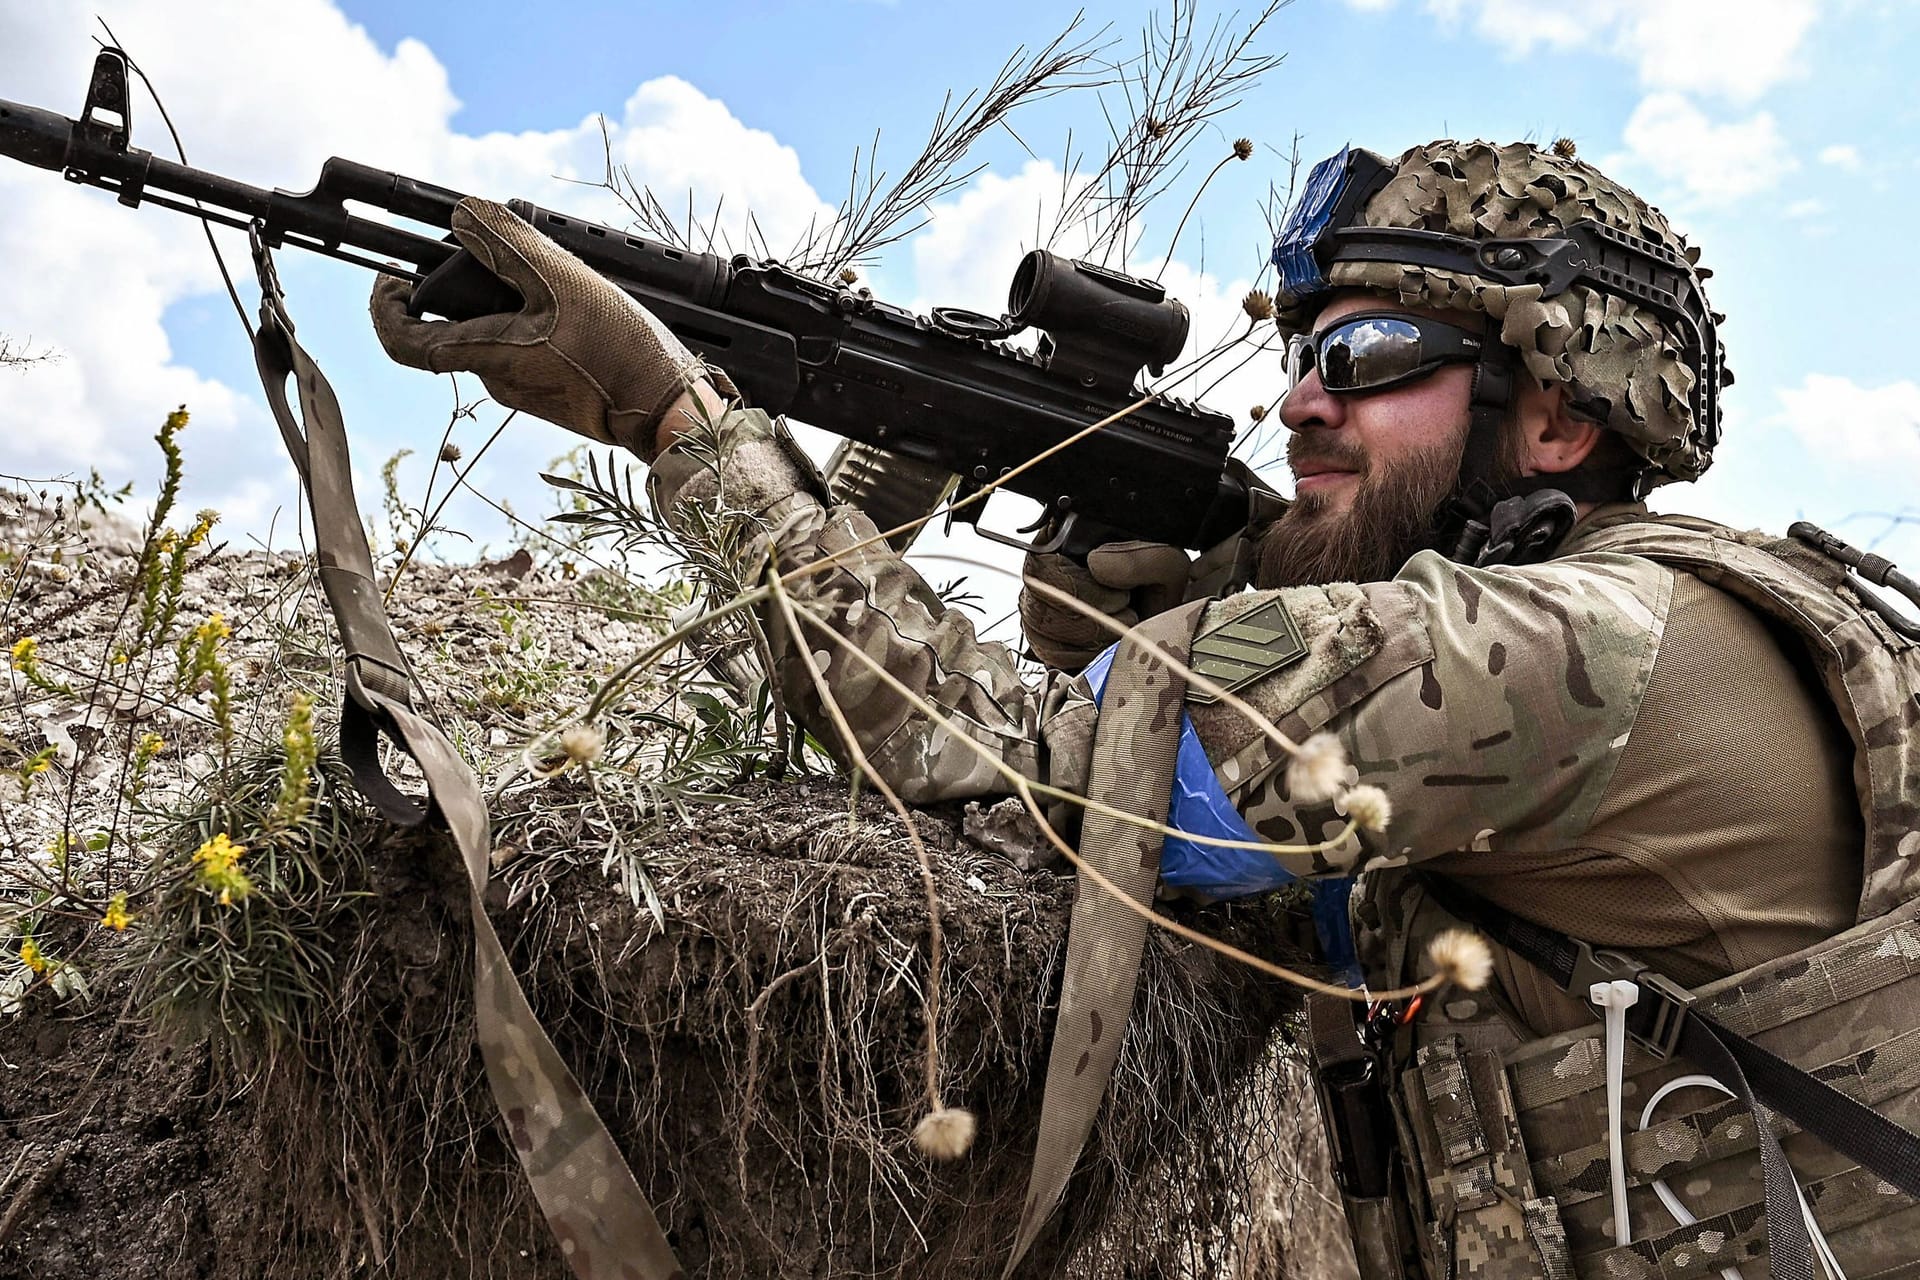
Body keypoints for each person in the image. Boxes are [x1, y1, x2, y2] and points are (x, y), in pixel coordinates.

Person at [370, 141, 1920, 1278]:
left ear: (1562, 419)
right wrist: (1141, 596)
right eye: (1308, 354)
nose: (1302, 400)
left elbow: (971, 764)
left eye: (1369, 356)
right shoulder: (1663, 602)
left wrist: (679, 418)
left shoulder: (1579, 644)